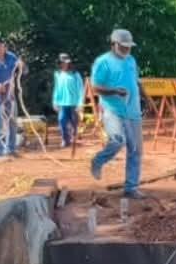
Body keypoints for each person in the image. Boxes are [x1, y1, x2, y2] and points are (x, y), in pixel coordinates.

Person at [89, 28, 144, 198]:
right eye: (123, 46)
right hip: (113, 110)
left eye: (129, 47)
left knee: (136, 150)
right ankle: (98, 160)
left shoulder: (131, 60)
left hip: (133, 111)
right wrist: (114, 91)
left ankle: (131, 188)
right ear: (114, 44)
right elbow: (96, 87)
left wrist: (145, 97)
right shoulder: (103, 62)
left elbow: (136, 81)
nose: (127, 49)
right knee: (118, 141)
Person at [52, 54, 83, 147]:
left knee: (74, 122)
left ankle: (74, 139)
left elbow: (81, 89)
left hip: (74, 103)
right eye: (63, 63)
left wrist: (80, 103)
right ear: (60, 63)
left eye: (67, 63)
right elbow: (56, 88)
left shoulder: (75, 74)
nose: (66, 64)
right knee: (61, 120)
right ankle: (65, 140)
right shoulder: (57, 74)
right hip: (62, 103)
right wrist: (55, 101)